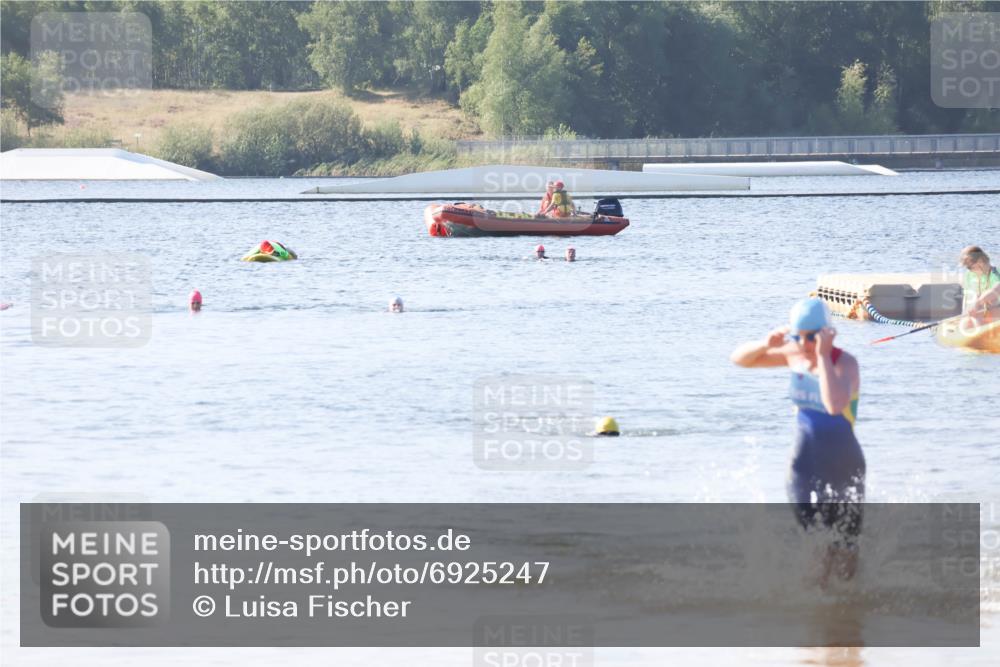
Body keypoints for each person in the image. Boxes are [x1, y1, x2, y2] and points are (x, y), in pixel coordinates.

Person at [731, 297, 865, 585]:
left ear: (827, 333)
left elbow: (834, 405)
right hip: (804, 465)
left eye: (812, 337)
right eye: (797, 336)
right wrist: (765, 344)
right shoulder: (794, 355)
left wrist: (823, 357)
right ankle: (814, 603)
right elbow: (739, 359)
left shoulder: (845, 363)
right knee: (816, 541)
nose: (804, 344)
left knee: (846, 548)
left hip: (843, 466)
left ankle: (848, 605)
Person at [959, 245, 1000, 317]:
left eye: (970, 267)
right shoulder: (969, 275)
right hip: (980, 310)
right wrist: (965, 313)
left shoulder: (996, 274)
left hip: (995, 310)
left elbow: (995, 291)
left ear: (980, 261)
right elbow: (967, 298)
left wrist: (977, 304)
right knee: (966, 320)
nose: (969, 270)